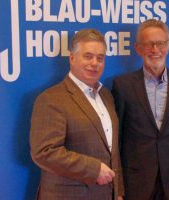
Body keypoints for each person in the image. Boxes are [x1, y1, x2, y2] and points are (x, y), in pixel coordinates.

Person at [112, 19, 169, 200]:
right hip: (136, 181)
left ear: (168, 46)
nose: (155, 50)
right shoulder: (122, 86)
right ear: (138, 48)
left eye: (160, 43)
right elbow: (118, 140)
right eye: (148, 44)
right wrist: (119, 186)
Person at [30, 29, 124, 200]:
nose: (95, 63)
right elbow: (44, 152)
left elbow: (112, 150)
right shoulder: (51, 99)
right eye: (88, 56)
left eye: (100, 58)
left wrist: (117, 191)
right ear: (72, 58)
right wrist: (93, 169)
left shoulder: (106, 96)